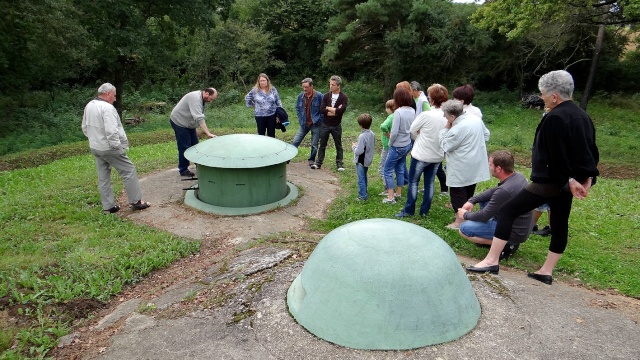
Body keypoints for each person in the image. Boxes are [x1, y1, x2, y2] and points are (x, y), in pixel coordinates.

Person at [466, 70, 599, 285]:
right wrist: (588, 178)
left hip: (551, 181)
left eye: (543, 94)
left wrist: (568, 180)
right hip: (567, 181)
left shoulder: (555, 117)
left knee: (508, 210)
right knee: (559, 223)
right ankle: (546, 271)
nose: (541, 97)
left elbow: (556, 155)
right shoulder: (583, 115)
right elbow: (591, 151)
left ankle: (491, 260)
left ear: (554, 96)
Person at [82, 83, 150, 213]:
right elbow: (112, 131)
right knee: (129, 171)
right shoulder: (107, 108)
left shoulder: (89, 105)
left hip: (95, 147)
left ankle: (108, 207)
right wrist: (117, 147)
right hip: (109, 147)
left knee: (103, 177)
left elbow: (85, 127)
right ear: (108, 94)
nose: (115, 99)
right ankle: (136, 202)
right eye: (114, 95)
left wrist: (94, 139)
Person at [457, 150, 533, 260]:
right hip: (517, 224)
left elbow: (484, 215)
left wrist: (465, 215)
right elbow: (494, 191)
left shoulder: (504, 191)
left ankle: (506, 244)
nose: (489, 167)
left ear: (498, 169)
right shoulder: (518, 177)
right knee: (484, 200)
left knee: (464, 229)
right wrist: (472, 200)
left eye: (490, 164)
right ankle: (497, 238)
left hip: (514, 232)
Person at [396, 84, 448, 217]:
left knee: (414, 182)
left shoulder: (426, 115)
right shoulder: (448, 116)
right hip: (437, 155)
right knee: (430, 183)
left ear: (432, 99)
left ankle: (409, 210)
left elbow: (412, 130)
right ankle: (424, 211)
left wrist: (419, 135)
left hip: (421, 155)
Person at [438, 99, 491, 229]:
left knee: (458, 192)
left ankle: (459, 222)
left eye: (445, 115)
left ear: (452, 116)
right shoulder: (475, 119)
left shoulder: (458, 128)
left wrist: (444, 130)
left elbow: (446, 145)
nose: (444, 117)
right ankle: (468, 214)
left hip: (461, 164)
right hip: (475, 161)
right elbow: (486, 135)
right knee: (469, 188)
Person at [170, 87, 218, 176]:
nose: (210, 101)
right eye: (211, 99)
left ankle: (200, 167)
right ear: (207, 93)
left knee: (195, 146)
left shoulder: (202, 98)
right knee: (185, 146)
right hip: (179, 121)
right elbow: (199, 117)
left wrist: (194, 127)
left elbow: (194, 113)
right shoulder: (195, 98)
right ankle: (183, 170)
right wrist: (208, 133)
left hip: (188, 123)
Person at [382, 87, 414, 204]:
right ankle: (398, 193)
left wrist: (390, 143)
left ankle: (391, 197)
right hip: (407, 144)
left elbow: (394, 132)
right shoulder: (412, 110)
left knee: (387, 170)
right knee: (400, 168)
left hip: (397, 145)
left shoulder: (398, 112)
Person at [311, 75, 348, 171]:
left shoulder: (343, 97)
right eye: (330, 84)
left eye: (333, 85)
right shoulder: (326, 96)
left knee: (338, 145)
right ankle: (318, 163)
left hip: (336, 125)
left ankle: (339, 164)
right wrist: (334, 110)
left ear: (338, 86)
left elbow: (341, 111)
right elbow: (322, 109)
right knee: (322, 144)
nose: (331, 86)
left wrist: (331, 109)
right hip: (325, 124)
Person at [291, 78, 323, 166]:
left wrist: (319, 119)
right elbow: (298, 108)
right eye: (303, 87)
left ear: (311, 86)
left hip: (315, 123)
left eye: (306, 87)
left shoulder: (319, 96)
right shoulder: (300, 96)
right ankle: (288, 158)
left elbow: (323, 109)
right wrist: (300, 118)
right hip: (304, 123)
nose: (304, 89)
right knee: (295, 141)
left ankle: (311, 160)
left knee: (314, 144)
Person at [245, 73, 283, 138]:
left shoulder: (273, 89)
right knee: (261, 134)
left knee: (271, 134)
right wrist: (253, 105)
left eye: (264, 80)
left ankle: (271, 147)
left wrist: (279, 114)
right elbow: (247, 98)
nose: (262, 82)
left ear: (267, 81)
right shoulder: (255, 90)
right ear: (258, 82)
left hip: (271, 115)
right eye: (261, 81)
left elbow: (278, 101)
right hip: (260, 116)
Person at [352, 114, 375, 201]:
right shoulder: (372, 134)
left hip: (361, 161)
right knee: (364, 176)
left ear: (360, 125)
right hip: (368, 160)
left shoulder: (362, 136)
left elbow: (359, 151)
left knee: (361, 178)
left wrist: (354, 147)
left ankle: (363, 196)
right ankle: (364, 191)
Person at [378, 99, 394, 186]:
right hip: (394, 146)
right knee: (392, 167)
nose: (386, 110)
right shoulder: (398, 115)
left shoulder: (391, 117)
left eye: (387, 108)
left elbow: (383, 126)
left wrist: (388, 134)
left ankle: (387, 187)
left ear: (390, 108)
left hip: (387, 146)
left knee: (383, 168)